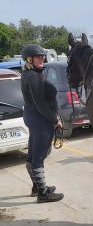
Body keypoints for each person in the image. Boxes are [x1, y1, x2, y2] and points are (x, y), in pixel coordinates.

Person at [21, 44, 64, 203]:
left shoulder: (28, 74)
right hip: (40, 120)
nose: (42, 58)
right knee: (39, 155)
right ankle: (43, 194)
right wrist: (54, 120)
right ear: (29, 59)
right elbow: (40, 103)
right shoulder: (33, 76)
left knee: (33, 154)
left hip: (33, 118)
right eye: (38, 56)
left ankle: (37, 187)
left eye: (42, 56)